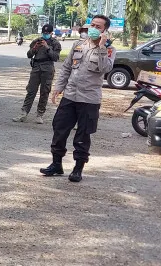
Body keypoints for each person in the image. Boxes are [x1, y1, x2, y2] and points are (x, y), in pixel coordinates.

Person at [41, 15, 116, 183]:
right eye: (92, 24)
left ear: (105, 30)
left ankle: (78, 168)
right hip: (70, 95)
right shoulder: (78, 45)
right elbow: (67, 67)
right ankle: (56, 164)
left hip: (89, 99)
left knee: (83, 134)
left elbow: (105, 68)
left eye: (98, 26)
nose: (94, 28)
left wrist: (102, 47)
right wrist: (58, 88)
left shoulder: (109, 49)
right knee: (59, 128)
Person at [13, 24, 62, 124]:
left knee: (44, 92)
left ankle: (40, 114)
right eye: (44, 33)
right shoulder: (36, 41)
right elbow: (29, 55)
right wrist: (34, 48)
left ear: (51, 33)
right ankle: (24, 113)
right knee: (31, 91)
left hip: (48, 68)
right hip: (36, 68)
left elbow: (55, 57)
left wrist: (47, 47)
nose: (45, 35)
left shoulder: (55, 43)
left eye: (47, 33)